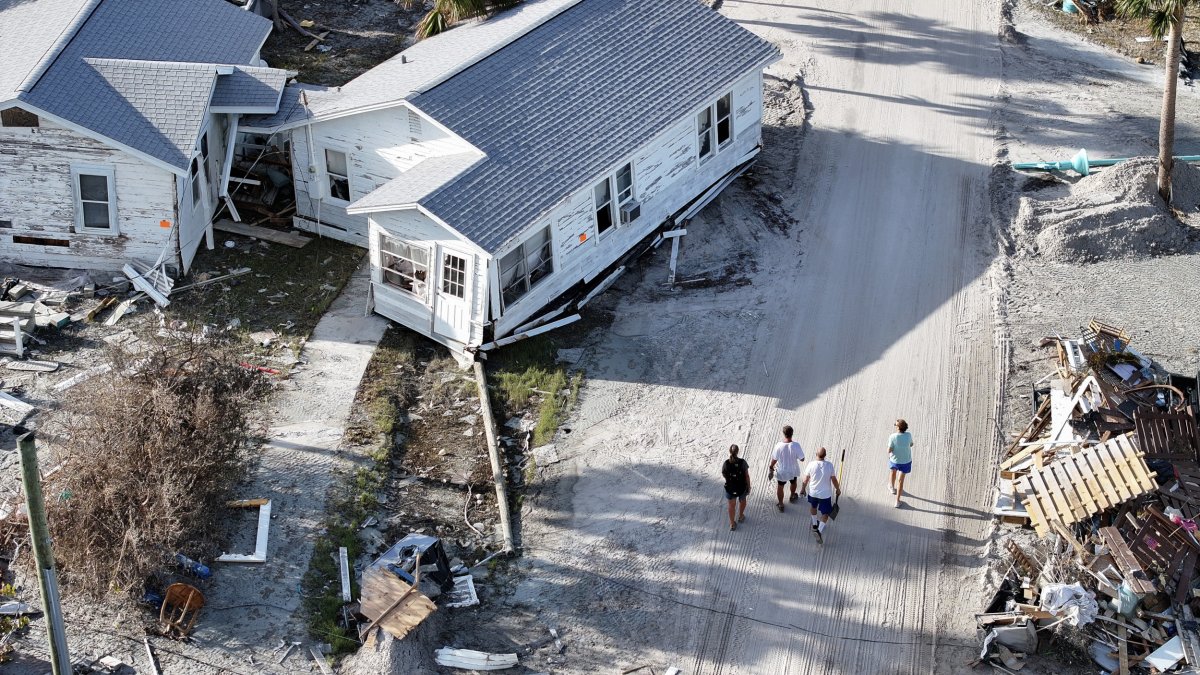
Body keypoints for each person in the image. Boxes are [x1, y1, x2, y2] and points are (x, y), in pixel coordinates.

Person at [800, 447, 841, 544]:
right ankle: (819, 530)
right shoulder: (829, 465)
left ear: (816, 454)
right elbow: (834, 480)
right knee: (825, 514)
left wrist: (802, 489)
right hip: (825, 495)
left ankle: (814, 524)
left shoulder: (811, 464)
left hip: (813, 493)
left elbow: (805, 479)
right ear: (825, 455)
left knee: (813, 506)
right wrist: (838, 489)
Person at [768, 425, 805, 512]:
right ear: (792, 434)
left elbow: (774, 459)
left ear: (784, 434)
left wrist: (771, 467)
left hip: (782, 471)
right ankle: (792, 496)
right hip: (793, 470)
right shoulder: (796, 445)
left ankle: (781, 504)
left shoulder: (778, 446)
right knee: (793, 482)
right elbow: (802, 459)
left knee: (780, 487)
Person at [722, 444, 751, 531]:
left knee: (731, 505)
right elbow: (747, 476)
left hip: (730, 488)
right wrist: (748, 486)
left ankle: (732, 524)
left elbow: (724, 474)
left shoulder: (726, 463)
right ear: (738, 452)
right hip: (741, 487)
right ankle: (741, 516)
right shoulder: (742, 462)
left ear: (729, 451)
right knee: (742, 501)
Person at [887, 419, 914, 508]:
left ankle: (891, 488)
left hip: (895, 460)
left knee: (893, 472)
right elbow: (911, 444)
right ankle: (897, 501)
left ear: (898, 427)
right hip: (906, 461)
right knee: (900, 481)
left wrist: (890, 451)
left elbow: (889, 450)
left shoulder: (892, 436)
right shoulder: (908, 435)